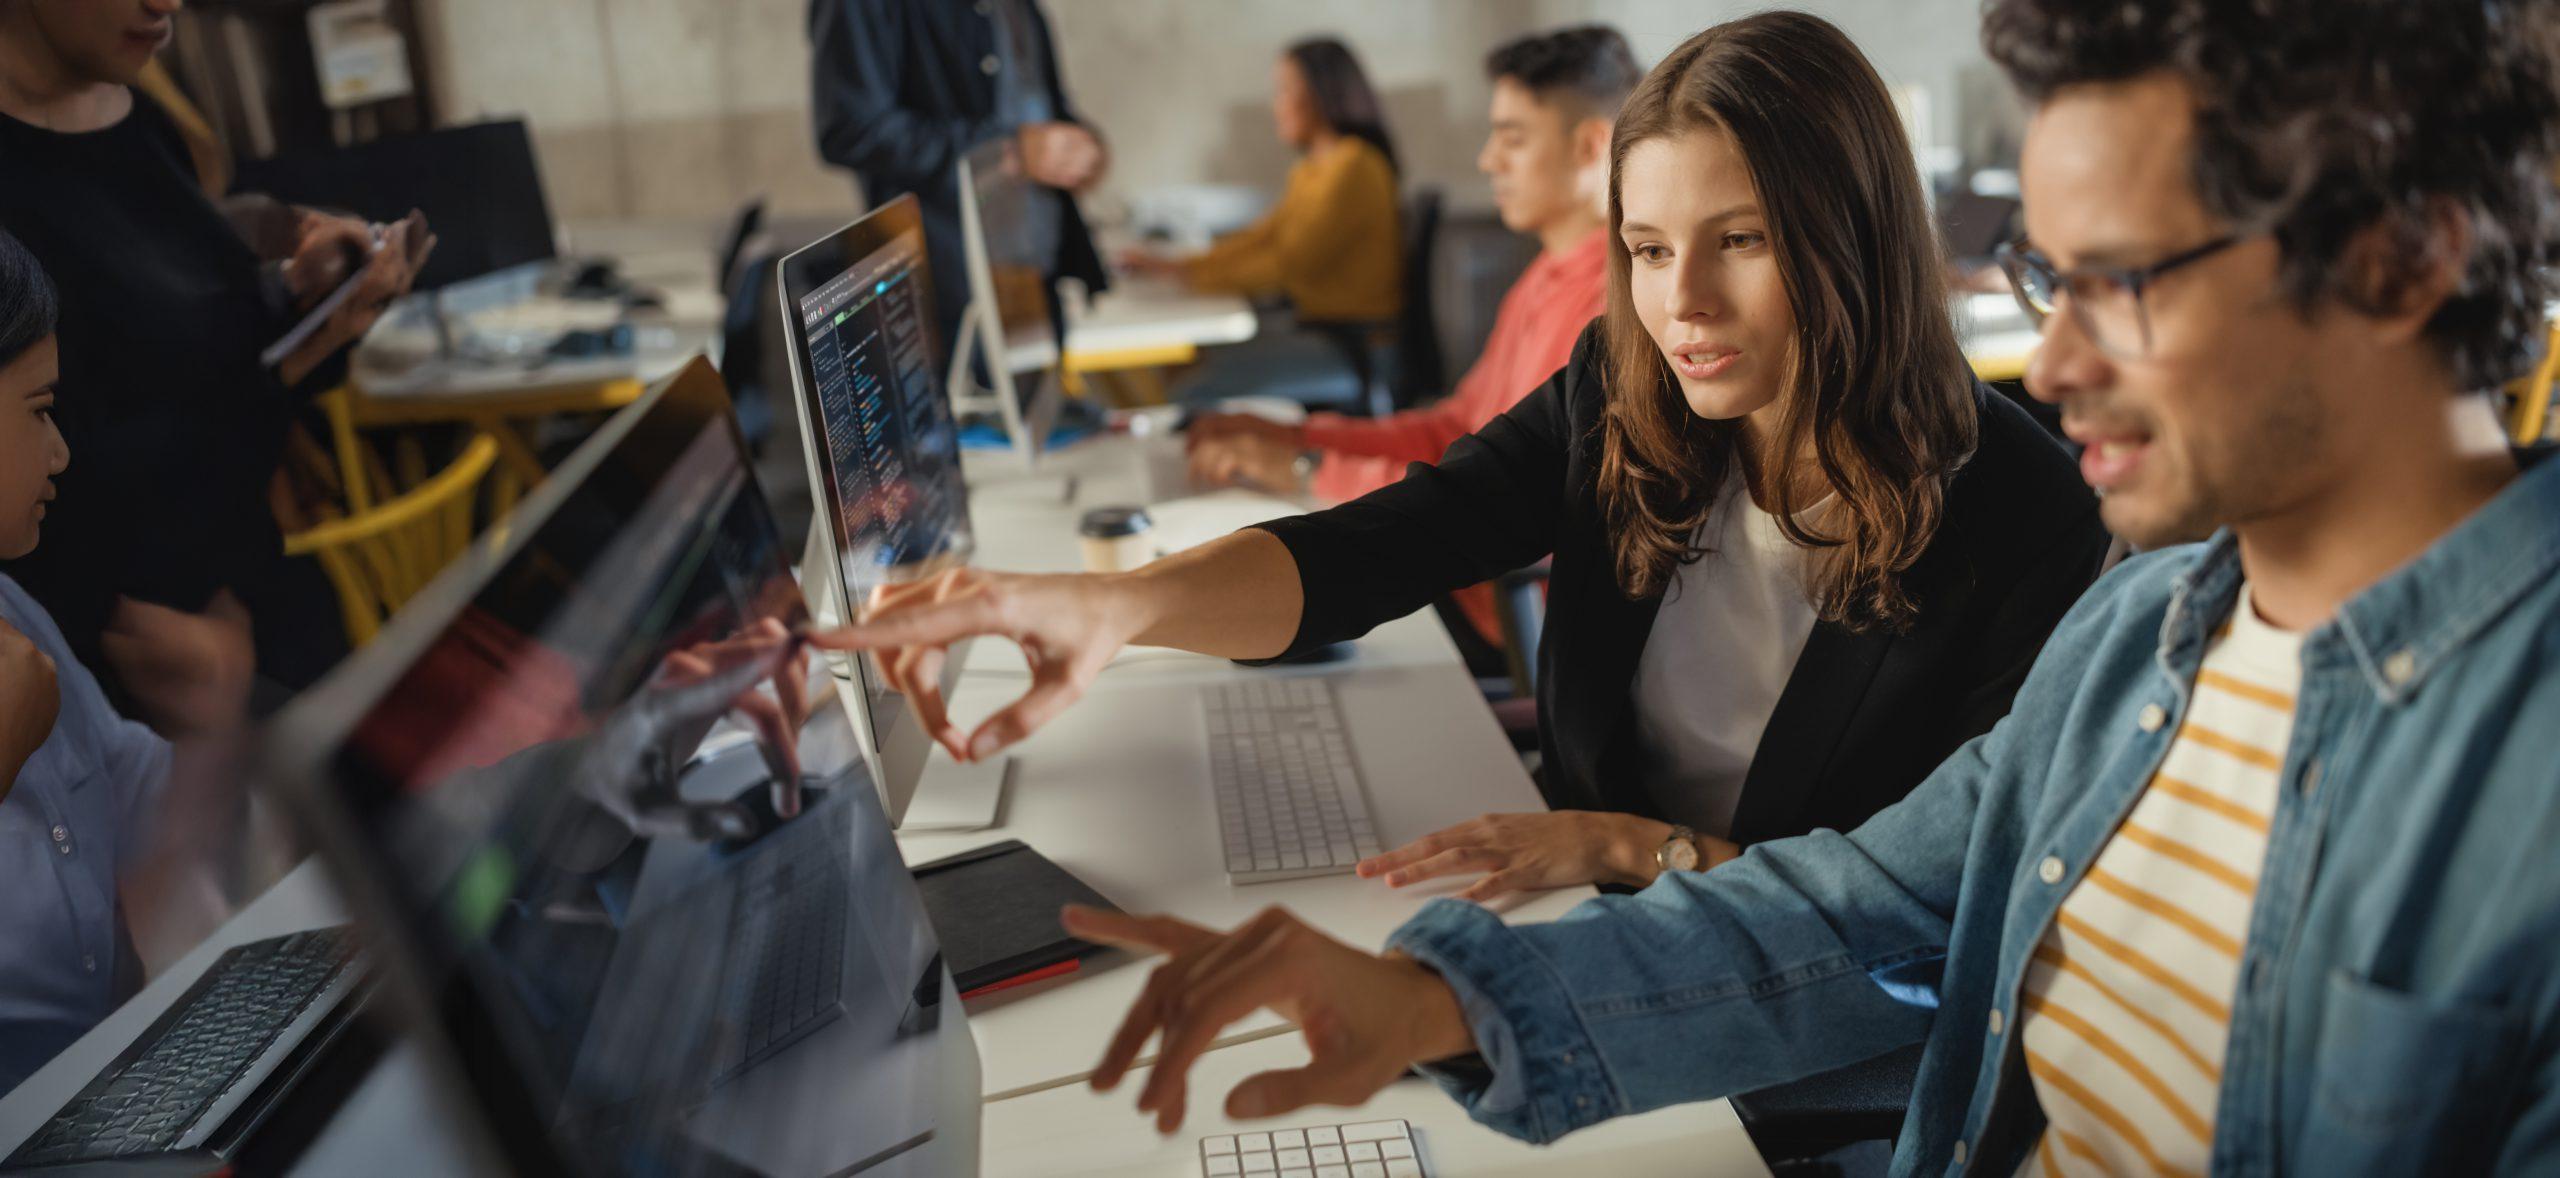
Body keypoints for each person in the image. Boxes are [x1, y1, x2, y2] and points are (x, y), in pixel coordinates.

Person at [1045, 2, 2560, 1172]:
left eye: (2126, 281)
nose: (2064, 361)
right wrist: (1441, 1002)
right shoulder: (2149, 632)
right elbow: (1867, 909)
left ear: (2401, 260)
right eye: (2055, 282)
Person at [819, 12, 2109, 910]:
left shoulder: (2022, 511)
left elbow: (1932, 911)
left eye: (1743, 241)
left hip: (1763, 1000)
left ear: (1854, 237)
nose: (1684, 306)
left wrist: (1624, 848)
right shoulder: (1627, 392)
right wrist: (1119, 605)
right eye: (1649, 251)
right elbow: (1390, 542)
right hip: (1581, 912)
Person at [0, 0, 423, 727]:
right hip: (131, 679)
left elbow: (199, 364)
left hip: (250, 608)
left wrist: (306, 306)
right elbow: (76, 473)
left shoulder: (138, 115)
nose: (167, 3)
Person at [1184, 25, 1636, 653]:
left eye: (1512, 137)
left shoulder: (1608, 313)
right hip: (1461, 572)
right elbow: (1456, 431)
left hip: (1502, 609)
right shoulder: (1543, 275)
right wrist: (1293, 435)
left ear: (1589, 146)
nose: (1487, 160)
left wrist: (1305, 466)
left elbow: (1499, 504)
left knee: (1239, 607)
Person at [0, 229, 254, 1095]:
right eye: (39, 410)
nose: (61, 451)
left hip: (118, 1093)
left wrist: (212, 729)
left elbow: (137, 801)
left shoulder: (14, 612)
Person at [808, 0, 1110, 357]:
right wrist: (1007, 151)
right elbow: (850, 130)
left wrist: (1080, 150)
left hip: (1034, 278)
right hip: (948, 297)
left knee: (1042, 408)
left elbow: (1033, 101)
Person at [1134, 38, 1406, 408]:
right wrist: (1179, 266)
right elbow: (1260, 239)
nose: (1275, 104)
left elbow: (1289, 265)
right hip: (1321, 331)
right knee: (1187, 365)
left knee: (1189, 388)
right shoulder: (1311, 170)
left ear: (1321, 93)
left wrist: (1191, 276)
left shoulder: (1353, 167)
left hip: (1354, 346)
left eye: (1284, 90)